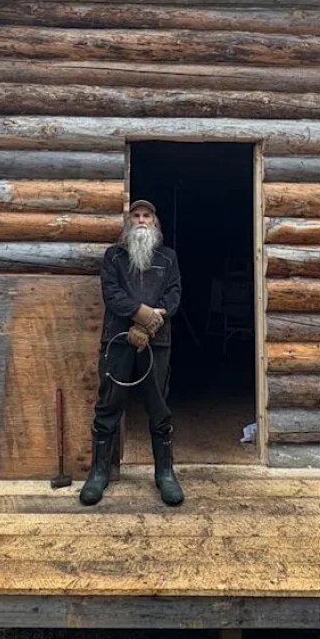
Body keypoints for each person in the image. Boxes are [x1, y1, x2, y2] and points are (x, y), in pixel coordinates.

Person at [79, 199, 184, 507]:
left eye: (146, 216)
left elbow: (174, 295)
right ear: (128, 224)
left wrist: (151, 325)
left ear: (155, 223)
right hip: (117, 339)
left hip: (157, 340)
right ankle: (99, 474)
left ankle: (165, 474)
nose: (141, 220)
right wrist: (140, 314)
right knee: (109, 402)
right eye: (136, 216)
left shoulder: (168, 258)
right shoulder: (114, 256)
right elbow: (112, 294)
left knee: (159, 405)